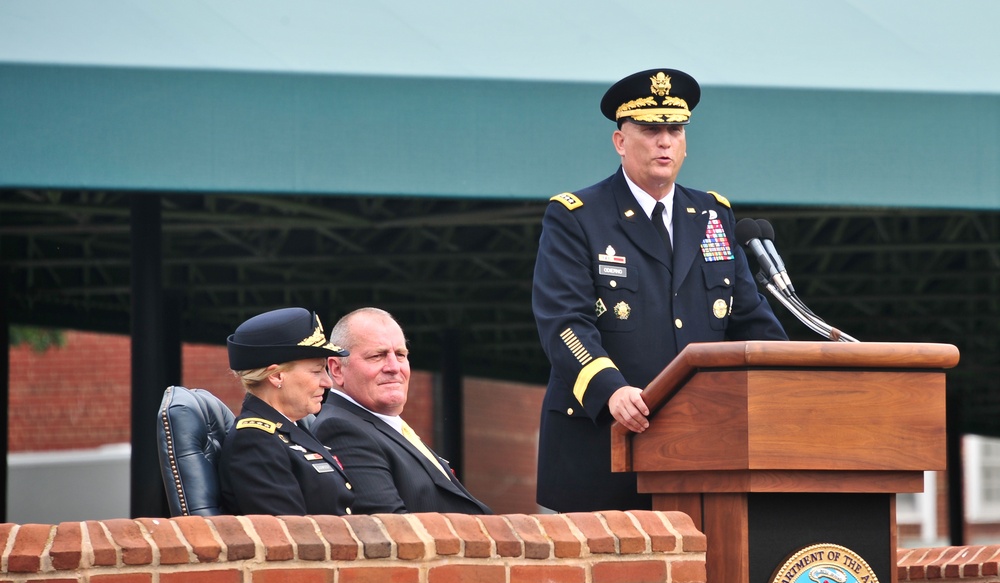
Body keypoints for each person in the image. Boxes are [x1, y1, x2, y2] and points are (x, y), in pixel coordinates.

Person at [531, 68, 788, 512]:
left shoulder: (711, 215)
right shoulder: (577, 216)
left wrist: (792, 378)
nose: (664, 141)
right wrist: (611, 389)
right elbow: (565, 324)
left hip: (703, 452)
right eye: (650, 130)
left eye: (675, 129)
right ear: (620, 141)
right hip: (605, 446)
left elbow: (749, 319)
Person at [311, 307, 492, 514]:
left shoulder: (382, 424)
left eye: (400, 354)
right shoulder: (340, 429)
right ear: (336, 368)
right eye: (377, 356)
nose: (394, 367)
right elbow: (391, 531)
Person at [219, 307, 355, 515]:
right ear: (276, 376)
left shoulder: (292, 427)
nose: (328, 382)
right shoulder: (255, 441)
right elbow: (290, 539)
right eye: (317, 371)